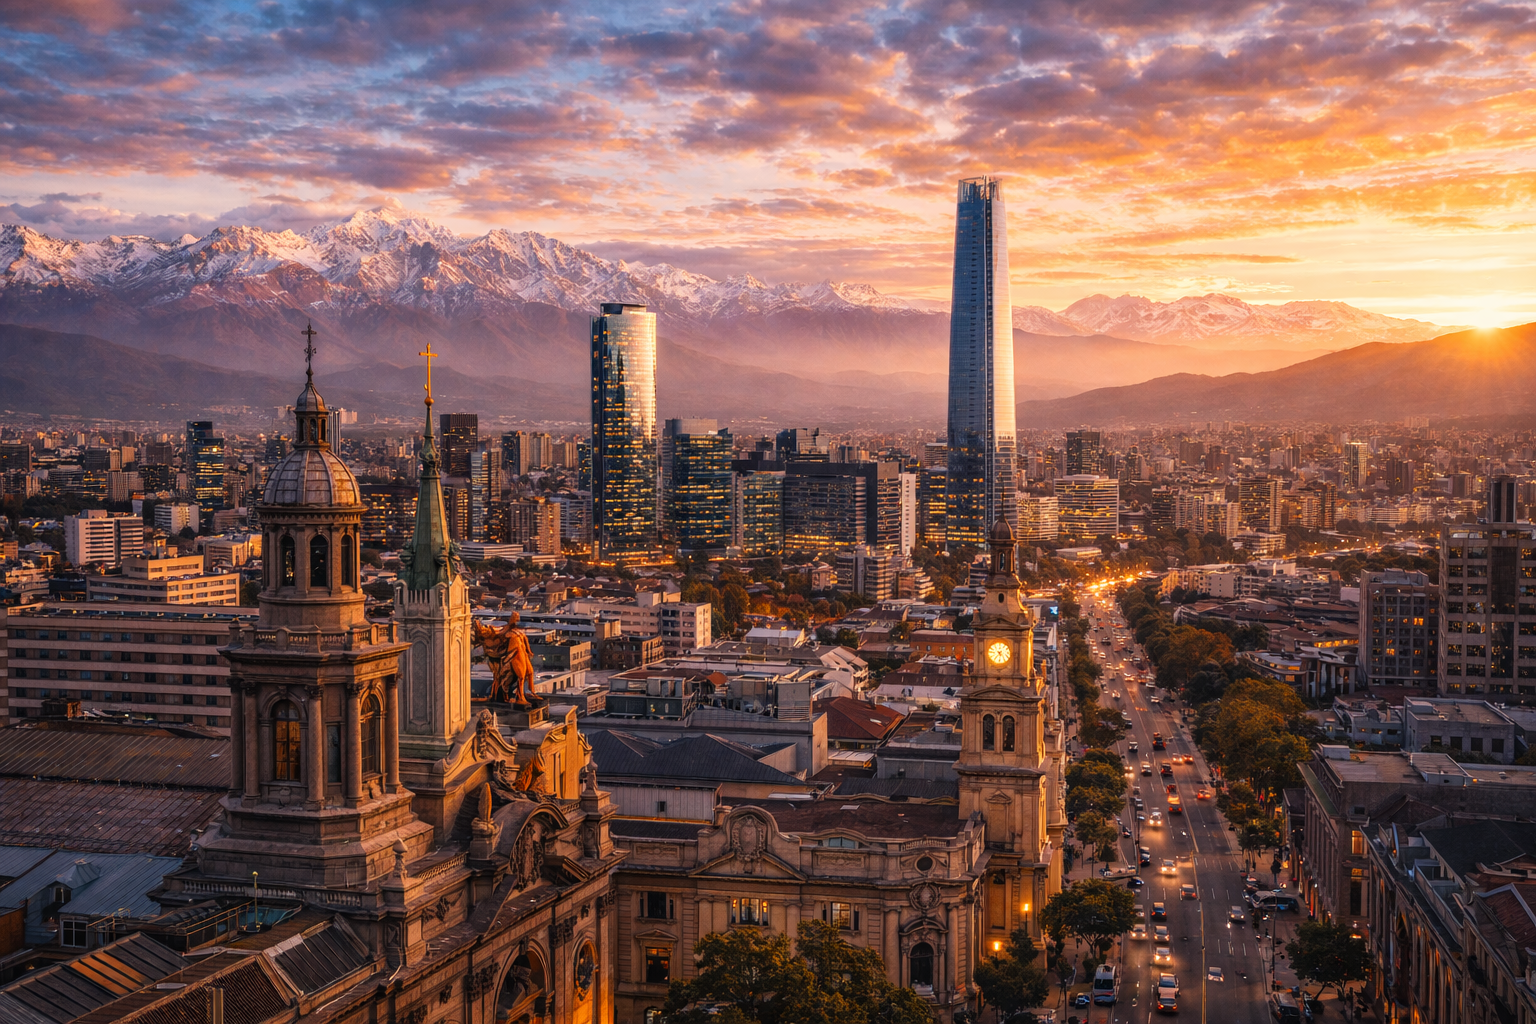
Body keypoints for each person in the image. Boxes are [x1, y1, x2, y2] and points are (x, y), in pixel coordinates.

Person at [473, 613, 537, 706]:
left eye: (517, 619)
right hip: (515, 657)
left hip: (522, 656)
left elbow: (525, 641)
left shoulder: (517, 633)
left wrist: (529, 652)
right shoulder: (509, 634)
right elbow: (509, 649)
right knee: (520, 677)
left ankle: (531, 692)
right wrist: (507, 659)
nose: (516, 620)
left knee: (530, 672)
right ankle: (520, 697)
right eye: (515, 619)